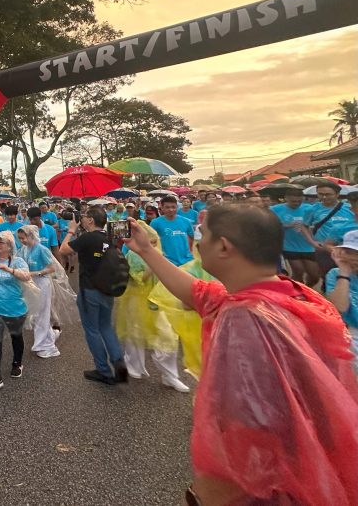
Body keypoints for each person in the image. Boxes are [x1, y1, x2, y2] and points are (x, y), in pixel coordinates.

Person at [125, 205, 358, 505]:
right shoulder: (290, 292)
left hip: (269, 482)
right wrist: (146, 250)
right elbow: (199, 293)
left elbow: (250, 423)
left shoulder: (245, 318)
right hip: (316, 462)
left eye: (203, 235)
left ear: (223, 246)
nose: (197, 242)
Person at [115, 222, 189, 392]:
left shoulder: (158, 254)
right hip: (137, 300)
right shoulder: (133, 256)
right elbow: (139, 278)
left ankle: (170, 376)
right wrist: (152, 264)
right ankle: (135, 368)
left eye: (155, 242)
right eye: (151, 242)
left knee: (166, 338)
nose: (153, 246)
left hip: (158, 301)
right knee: (134, 336)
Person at [59, 207, 128, 385]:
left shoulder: (88, 238)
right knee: (106, 327)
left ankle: (103, 371)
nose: (82, 219)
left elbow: (63, 250)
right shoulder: (110, 237)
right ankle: (118, 360)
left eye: (84, 217)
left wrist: (71, 230)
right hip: (108, 288)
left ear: (91, 220)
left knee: (92, 330)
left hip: (89, 289)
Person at [0, 230, 32, 390]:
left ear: (10, 245)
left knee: (16, 336)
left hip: (15, 307)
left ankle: (17, 363)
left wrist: (10, 270)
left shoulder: (18, 262)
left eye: (1, 242)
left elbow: (27, 277)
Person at [17, 224, 63, 359]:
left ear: (31, 235)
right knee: (36, 314)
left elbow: (53, 267)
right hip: (31, 284)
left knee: (42, 313)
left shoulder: (41, 249)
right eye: (20, 239)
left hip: (42, 283)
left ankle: (45, 345)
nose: (22, 241)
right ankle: (48, 337)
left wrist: (37, 273)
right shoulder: (24, 250)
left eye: (23, 238)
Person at [303, 180, 356, 279]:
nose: (324, 197)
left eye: (328, 194)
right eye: (320, 194)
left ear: (337, 194)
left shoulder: (349, 208)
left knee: (350, 276)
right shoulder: (312, 209)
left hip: (349, 251)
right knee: (328, 277)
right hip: (325, 251)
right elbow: (304, 226)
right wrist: (312, 242)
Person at [271, 187, 321, 287]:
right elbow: (270, 225)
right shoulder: (275, 209)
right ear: (286, 198)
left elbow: (316, 222)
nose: (296, 203)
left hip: (308, 246)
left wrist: (310, 227)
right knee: (298, 270)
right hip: (289, 245)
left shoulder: (308, 209)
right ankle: (296, 292)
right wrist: (287, 225)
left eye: (299, 201)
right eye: (293, 201)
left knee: (315, 276)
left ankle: (307, 288)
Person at [327, 231, 358, 372]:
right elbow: (340, 307)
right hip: (353, 334)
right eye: (350, 252)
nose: (354, 258)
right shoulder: (335, 274)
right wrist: (344, 272)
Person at [149, 196, 194, 267]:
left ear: (177, 207)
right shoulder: (155, 223)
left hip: (187, 261)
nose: (171, 209)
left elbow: (193, 237)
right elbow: (151, 241)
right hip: (167, 261)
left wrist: (191, 252)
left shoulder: (186, 221)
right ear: (162, 208)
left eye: (173, 207)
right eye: (167, 207)